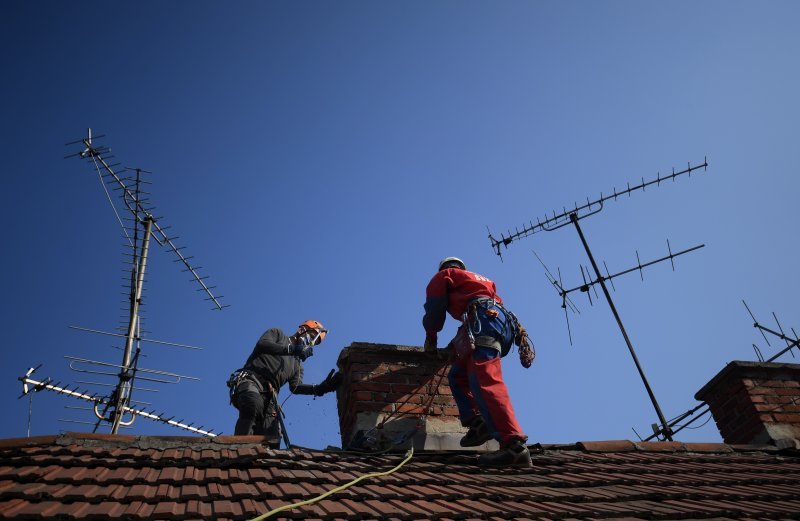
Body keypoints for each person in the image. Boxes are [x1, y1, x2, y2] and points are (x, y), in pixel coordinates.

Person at [423, 257, 533, 468]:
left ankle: (514, 446)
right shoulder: (482, 281)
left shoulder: (445, 276)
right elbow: (488, 304)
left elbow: (434, 310)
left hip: (483, 320)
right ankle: (478, 424)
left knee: (485, 381)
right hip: (496, 321)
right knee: (459, 376)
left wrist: (431, 340)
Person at [231, 320, 342, 442]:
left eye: (314, 342)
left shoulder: (297, 366)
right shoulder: (277, 334)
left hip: (270, 396)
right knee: (253, 406)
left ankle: (264, 459)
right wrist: (291, 349)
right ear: (301, 330)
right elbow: (262, 344)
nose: (310, 342)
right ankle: (239, 449)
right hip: (252, 380)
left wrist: (320, 388)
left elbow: (295, 387)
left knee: (272, 434)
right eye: (311, 336)